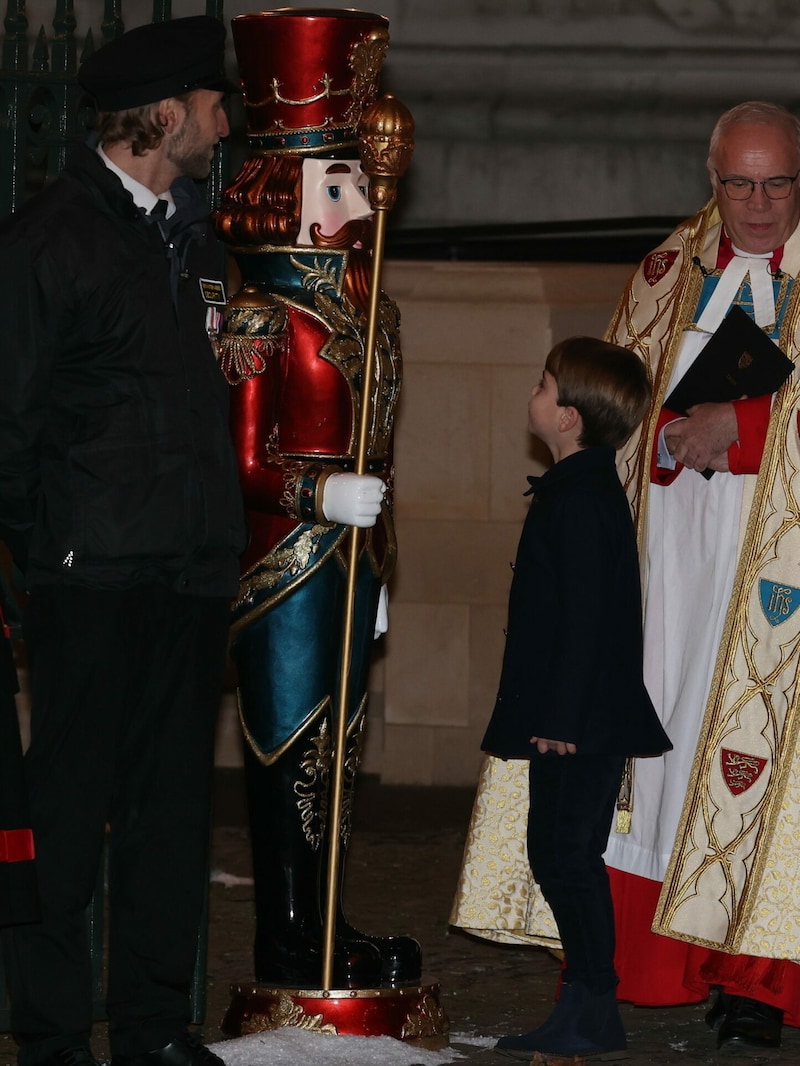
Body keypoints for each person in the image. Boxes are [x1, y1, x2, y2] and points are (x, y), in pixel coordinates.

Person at [0, 16, 246, 1066]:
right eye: (211, 102)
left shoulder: (198, 238)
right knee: (61, 823)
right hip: (86, 577)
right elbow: (8, 421)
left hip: (188, 574)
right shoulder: (48, 239)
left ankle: (152, 1026)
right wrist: (28, 564)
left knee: (169, 817)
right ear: (162, 116)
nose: (224, 120)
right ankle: (53, 1034)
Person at [211, 9, 420, 989]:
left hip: (348, 563)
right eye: (336, 182)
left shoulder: (366, 297)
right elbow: (240, 460)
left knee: (340, 752)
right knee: (291, 745)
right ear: (284, 193)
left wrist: (377, 555)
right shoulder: (263, 308)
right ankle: (287, 934)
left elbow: (377, 443)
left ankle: (326, 918)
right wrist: (321, 492)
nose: (362, 196)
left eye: (357, 180)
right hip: (284, 559)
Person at [604, 99, 800, 1051]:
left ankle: (763, 981)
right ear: (710, 179)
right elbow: (614, 411)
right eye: (738, 185)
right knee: (672, 748)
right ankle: (665, 964)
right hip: (678, 563)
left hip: (783, 575)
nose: (758, 206)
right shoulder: (668, 272)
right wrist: (673, 445)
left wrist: (749, 431)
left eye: (779, 184)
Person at [480, 337, 671, 1061]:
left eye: (543, 383)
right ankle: (592, 1007)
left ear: (568, 418)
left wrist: (559, 718)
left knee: (566, 856)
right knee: (561, 852)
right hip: (576, 717)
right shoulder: (576, 490)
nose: (533, 392)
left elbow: (588, 621)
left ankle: (592, 1003)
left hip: (579, 721)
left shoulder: (583, 499)